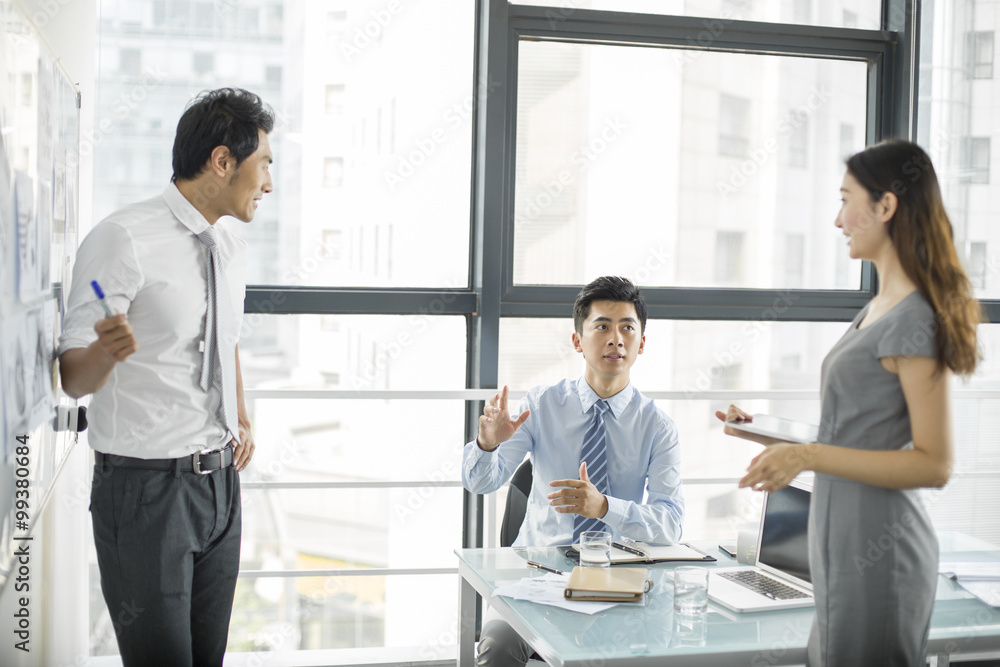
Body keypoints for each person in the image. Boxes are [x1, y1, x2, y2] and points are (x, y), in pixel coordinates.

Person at [717, 139, 981, 666]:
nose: (838, 220)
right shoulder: (878, 308)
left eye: (845, 200)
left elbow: (934, 463)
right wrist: (769, 432)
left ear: (886, 206)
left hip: (882, 555)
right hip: (840, 549)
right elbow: (857, 432)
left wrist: (807, 457)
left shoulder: (914, 320)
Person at [58, 88, 275, 666]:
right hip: (145, 493)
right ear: (223, 160)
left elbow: (224, 339)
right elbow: (73, 378)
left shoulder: (232, 247)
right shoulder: (122, 238)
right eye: (265, 166)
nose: (270, 184)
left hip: (220, 485)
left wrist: (242, 415)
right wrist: (106, 352)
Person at [463, 276, 685, 667]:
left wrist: (605, 508)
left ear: (642, 343)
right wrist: (488, 444)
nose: (615, 338)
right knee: (497, 647)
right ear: (578, 341)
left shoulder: (657, 427)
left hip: (618, 580)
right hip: (536, 578)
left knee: (650, 651)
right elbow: (481, 482)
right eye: (602, 326)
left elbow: (670, 525)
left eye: (627, 328)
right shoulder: (542, 405)